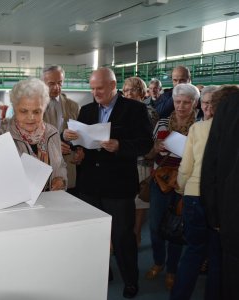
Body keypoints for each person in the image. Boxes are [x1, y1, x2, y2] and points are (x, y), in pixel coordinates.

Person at [65, 67, 153, 298]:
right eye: (92, 88)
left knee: (123, 236)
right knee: (94, 235)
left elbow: (145, 143)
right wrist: (76, 146)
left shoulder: (135, 109)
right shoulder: (86, 110)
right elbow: (81, 144)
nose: (95, 92)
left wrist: (120, 146)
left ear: (113, 85)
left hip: (119, 185)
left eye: (100, 88)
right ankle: (103, 272)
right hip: (90, 185)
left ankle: (130, 280)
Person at [170, 85, 232, 300]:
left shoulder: (198, 129)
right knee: (217, 257)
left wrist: (180, 188)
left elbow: (186, 167)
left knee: (193, 252)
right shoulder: (232, 129)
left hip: (194, 196)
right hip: (222, 201)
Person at [146, 83, 199, 291]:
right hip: (161, 180)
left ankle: (171, 270)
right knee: (155, 225)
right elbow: (149, 156)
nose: (181, 106)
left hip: (186, 183)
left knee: (177, 227)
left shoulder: (200, 125)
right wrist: (155, 148)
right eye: (178, 102)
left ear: (194, 103)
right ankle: (158, 261)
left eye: (186, 102)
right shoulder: (162, 124)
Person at [0, 78, 67, 191]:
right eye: (24, 111)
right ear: (14, 108)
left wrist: (61, 179)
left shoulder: (52, 133)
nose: (31, 117)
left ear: (44, 109)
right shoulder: (0, 136)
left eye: (37, 112)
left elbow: (60, 165)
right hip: (17, 205)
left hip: (51, 203)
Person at [201, 85, 239, 300]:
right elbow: (212, 165)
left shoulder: (229, 105)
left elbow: (211, 166)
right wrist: (215, 213)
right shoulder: (231, 105)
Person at [122, 76, 159, 247]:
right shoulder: (120, 110)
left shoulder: (149, 112)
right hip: (123, 160)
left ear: (142, 93)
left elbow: (149, 140)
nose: (128, 93)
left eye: (133, 90)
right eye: (126, 90)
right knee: (122, 202)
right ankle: (121, 237)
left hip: (143, 161)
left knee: (139, 203)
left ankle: (136, 235)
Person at [41, 65, 79, 194]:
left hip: (68, 166)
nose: (56, 87)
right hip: (42, 168)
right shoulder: (33, 106)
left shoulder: (73, 106)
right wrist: (54, 146)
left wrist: (80, 150)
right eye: (51, 84)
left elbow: (80, 135)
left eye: (60, 83)